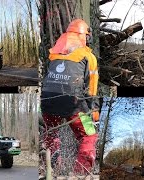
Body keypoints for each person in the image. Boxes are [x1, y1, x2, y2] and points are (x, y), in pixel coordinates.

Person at [41, 18, 99, 175]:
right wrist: (93, 109)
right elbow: (91, 89)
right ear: (83, 36)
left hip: (47, 101)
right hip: (73, 103)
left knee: (51, 133)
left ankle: (51, 167)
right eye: (87, 36)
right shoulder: (88, 57)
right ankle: (80, 174)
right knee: (89, 136)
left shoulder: (54, 55)